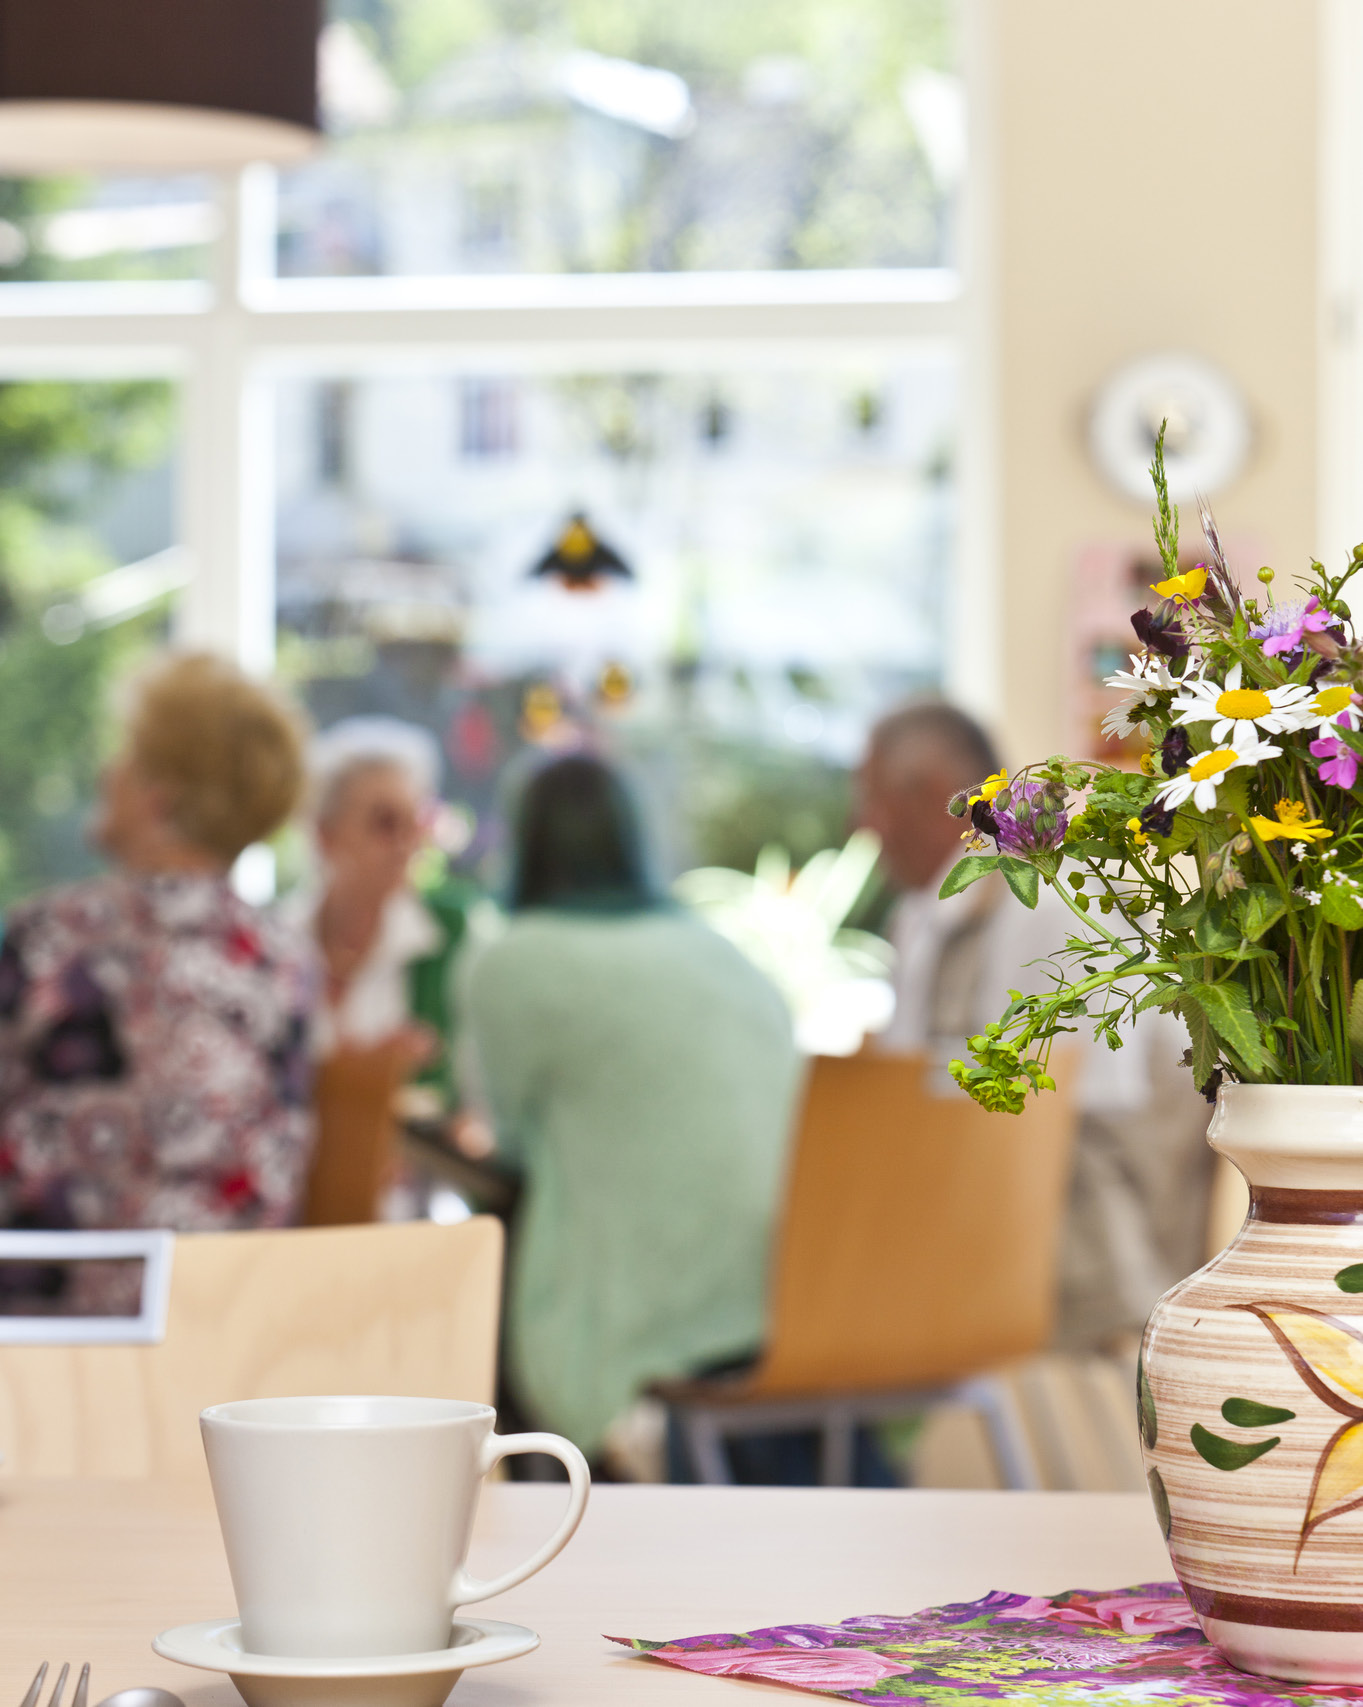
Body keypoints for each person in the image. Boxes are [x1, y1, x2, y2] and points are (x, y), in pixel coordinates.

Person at [462, 753, 800, 1463]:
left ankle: (536, 1526)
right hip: (786, 1283)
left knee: (477, 1274)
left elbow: (508, 1140)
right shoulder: (718, 950)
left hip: (662, 1299)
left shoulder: (513, 960)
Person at [858, 699, 1213, 1349]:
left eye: (873, 798)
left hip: (1092, 1252)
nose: (863, 824)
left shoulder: (1058, 897)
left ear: (934, 795)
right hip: (977, 1212)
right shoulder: (919, 917)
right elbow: (904, 1086)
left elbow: (1081, 1110)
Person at [0, 652, 315, 1267]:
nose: (106, 774)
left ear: (159, 799)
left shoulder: (50, 936)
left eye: (126, 756)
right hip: (218, 1323)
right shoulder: (283, 962)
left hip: (44, 1333)